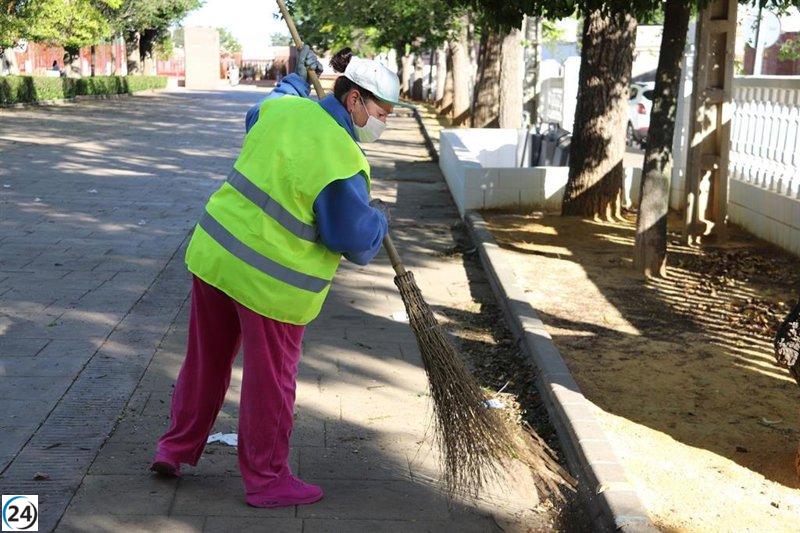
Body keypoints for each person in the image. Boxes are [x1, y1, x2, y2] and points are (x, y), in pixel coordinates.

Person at [150, 45, 399, 509]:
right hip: (271, 285)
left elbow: (261, 110)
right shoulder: (343, 158)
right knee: (270, 382)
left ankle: (174, 449)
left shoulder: (285, 109)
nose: (384, 123)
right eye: (382, 113)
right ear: (354, 100)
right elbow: (350, 239)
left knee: (205, 362)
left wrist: (296, 77)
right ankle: (267, 480)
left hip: (216, 256)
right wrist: (379, 219)